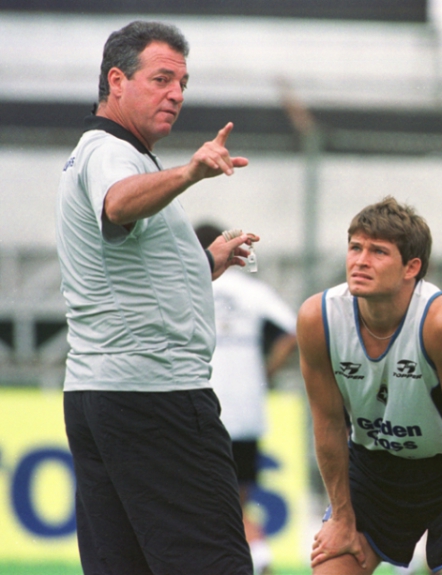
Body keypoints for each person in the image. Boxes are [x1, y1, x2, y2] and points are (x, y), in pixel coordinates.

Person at [55, 21, 256, 575]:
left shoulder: (104, 154)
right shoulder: (111, 152)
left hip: (100, 395)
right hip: (155, 396)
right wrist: (191, 171)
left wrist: (206, 261)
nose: (177, 94)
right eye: (162, 78)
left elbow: (127, 258)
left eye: (183, 83)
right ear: (116, 81)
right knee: (214, 563)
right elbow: (119, 205)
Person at [297, 196, 442, 575]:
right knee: (331, 566)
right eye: (355, 247)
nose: (360, 260)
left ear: (411, 267)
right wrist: (342, 518)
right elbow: (329, 423)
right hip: (374, 470)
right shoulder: (319, 317)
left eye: (378, 251)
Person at [195, 222, 299, 575]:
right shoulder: (253, 292)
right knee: (237, 501)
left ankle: (254, 557)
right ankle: (258, 553)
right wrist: (264, 373)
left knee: (203, 503)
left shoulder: (190, 286)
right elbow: (292, 330)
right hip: (246, 411)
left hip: (203, 410)